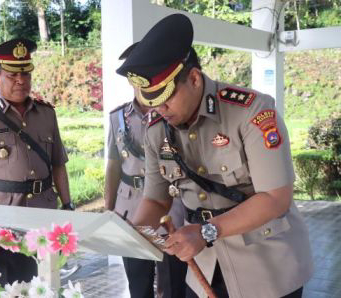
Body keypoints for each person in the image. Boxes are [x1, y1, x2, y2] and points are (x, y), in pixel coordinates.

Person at [116, 14, 313, 298]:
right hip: (204, 268)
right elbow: (157, 199)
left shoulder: (251, 112)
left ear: (194, 79)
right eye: (152, 102)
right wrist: (130, 235)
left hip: (267, 266)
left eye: (166, 97)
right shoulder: (158, 130)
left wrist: (207, 231)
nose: (160, 109)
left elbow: (276, 198)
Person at [0, 38, 74, 286]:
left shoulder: (46, 113)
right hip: (3, 220)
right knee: (9, 288)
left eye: (26, 74)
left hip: (45, 214)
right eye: (12, 76)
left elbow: (58, 165)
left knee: (47, 285)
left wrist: (68, 206)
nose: (21, 81)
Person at [105, 46, 187, 298]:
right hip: (129, 211)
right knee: (138, 286)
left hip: (169, 210)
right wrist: (109, 212)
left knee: (172, 286)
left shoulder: (171, 114)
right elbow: (113, 165)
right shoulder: (118, 117)